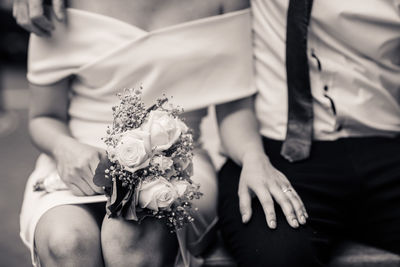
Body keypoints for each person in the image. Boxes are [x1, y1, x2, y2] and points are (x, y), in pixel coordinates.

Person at [16, 0, 255, 266]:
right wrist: (64, 148)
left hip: (179, 162)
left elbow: (236, 110)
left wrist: (255, 158)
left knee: (130, 237)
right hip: (77, 158)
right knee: (67, 242)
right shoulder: (52, 6)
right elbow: (44, 117)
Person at [216, 0, 400, 266]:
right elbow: (231, 91)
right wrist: (252, 157)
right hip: (276, 153)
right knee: (276, 257)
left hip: (386, 143)